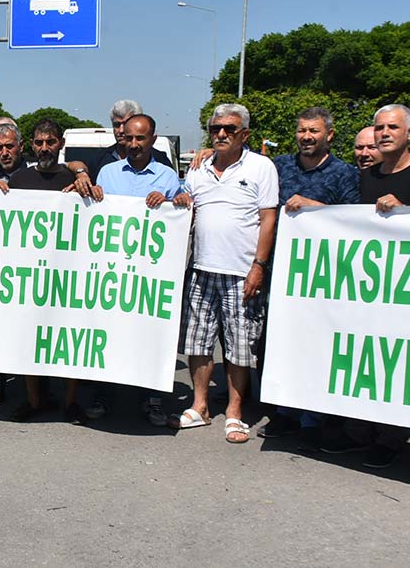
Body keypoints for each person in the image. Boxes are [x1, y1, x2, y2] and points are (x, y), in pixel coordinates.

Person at [332, 104, 410, 468]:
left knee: (399, 362)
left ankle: (393, 436)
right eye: (379, 127)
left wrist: (407, 212)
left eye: (392, 128)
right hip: (369, 288)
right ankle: (361, 431)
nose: (384, 133)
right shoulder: (366, 176)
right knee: (366, 356)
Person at [169, 103, 278, 445]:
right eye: (215, 128)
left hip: (241, 272)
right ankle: (199, 406)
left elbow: (269, 219)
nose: (220, 134)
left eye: (229, 129)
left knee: (239, 347)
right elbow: (189, 208)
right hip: (201, 270)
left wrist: (258, 266)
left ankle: (234, 412)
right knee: (198, 344)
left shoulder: (262, 167)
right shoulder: (199, 169)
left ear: (243, 134)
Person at [254, 107, 359, 450]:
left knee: (317, 346)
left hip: (322, 279)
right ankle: (283, 412)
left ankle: (313, 418)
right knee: (280, 343)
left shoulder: (345, 173)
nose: (306, 137)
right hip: (280, 275)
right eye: (301, 130)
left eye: (313, 131)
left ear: (329, 134)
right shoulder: (279, 166)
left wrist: (317, 208)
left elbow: (355, 221)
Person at [1, 119, 107, 422]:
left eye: (50, 142)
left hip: (69, 276)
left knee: (69, 337)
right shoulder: (19, 179)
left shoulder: (75, 178)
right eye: (38, 142)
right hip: (31, 276)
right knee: (31, 336)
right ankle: (34, 401)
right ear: (31, 145)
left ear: (60, 143)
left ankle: (71, 402)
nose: (44, 148)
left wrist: (86, 181)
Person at [91, 113, 184, 425]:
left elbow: (181, 216)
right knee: (105, 332)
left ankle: (153, 400)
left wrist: (175, 202)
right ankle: (103, 396)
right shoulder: (107, 173)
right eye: (128, 138)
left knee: (151, 335)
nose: (133, 144)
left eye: (139, 138)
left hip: (150, 274)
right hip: (111, 270)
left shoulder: (168, 178)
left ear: (152, 140)